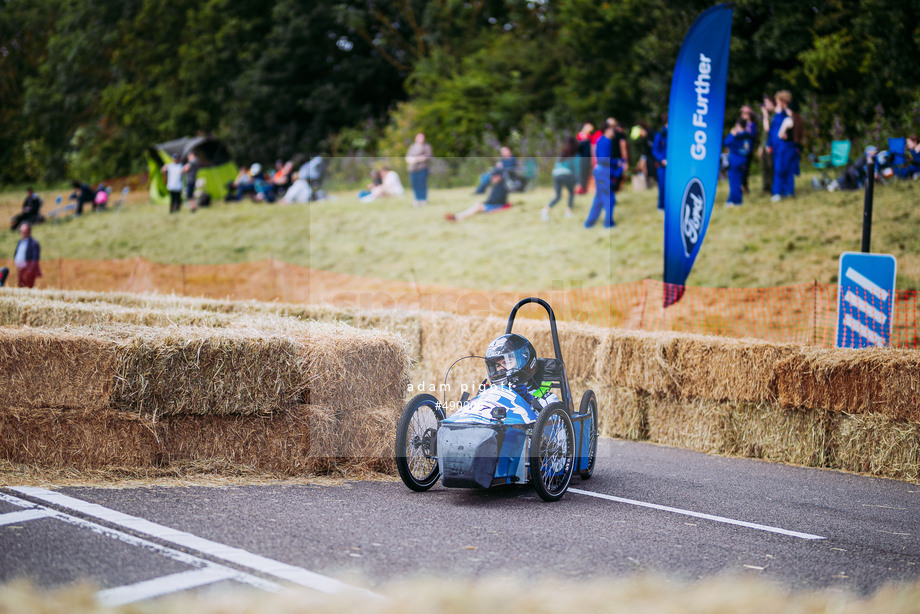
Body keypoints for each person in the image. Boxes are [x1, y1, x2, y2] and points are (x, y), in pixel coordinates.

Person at [483, 333, 558, 408]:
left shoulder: (547, 398)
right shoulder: (494, 394)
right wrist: (482, 398)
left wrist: (528, 401)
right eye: (498, 366)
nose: (501, 368)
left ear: (524, 360)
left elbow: (552, 418)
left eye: (506, 362)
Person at [584, 120, 628, 229]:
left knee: (599, 199)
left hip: (600, 171)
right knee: (609, 198)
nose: (614, 131)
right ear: (607, 130)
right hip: (603, 172)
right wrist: (617, 162)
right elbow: (603, 159)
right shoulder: (606, 141)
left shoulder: (601, 140)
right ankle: (608, 223)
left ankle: (589, 223)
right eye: (612, 129)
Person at [770, 90, 804, 202]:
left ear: (783, 101)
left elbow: (781, 132)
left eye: (777, 101)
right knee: (786, 169)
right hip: (785, 146)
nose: (776, 103)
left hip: (784, 147)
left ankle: (779, 192)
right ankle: (788, 191)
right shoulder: (790, 114)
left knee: (781, 169)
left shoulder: (786, 114)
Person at [541, 137, 577, 221]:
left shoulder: (562, 153)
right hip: (566, 174)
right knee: (571, 193)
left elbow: (556, 165)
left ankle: (545, 210)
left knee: (558, 196)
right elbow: (575, 167)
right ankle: (568, 212)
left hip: (556, 174)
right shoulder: (573, 154)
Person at [723, 118, 752, 207]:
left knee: (734, 182)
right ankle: (737, 200)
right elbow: (748, 149)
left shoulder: (736, 136)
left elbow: (726, 142)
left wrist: (732, 134)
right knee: (738, 182)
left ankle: (734, 200)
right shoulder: (748, 136)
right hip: (743, 161)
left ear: (738, 126)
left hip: (735, 161)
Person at [406, 132, 433, 207]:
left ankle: (423, 199)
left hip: (422, 168)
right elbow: (408, 156)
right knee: (414, 184)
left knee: (422, 184)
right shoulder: (412, 146)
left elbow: (427, 156)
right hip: (413, 169)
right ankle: (416, 199)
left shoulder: (426, 146)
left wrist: (417, 159)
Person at [12, 223, 41, 288]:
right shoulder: (20, 242)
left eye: (25, 231)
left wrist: (30, 270)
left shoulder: (34, 243)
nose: (23, 233)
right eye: (22, 231)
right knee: (20, 287)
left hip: (28, 270)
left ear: (29, 232)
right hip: (20, 269)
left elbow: (35, 259)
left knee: (28, 287)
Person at [740, 105, 759, 193]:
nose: (743, 115)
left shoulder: (752, 125)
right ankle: (741, 185)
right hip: (740, 149)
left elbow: (753, 136)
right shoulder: (741, 124)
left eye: (745, 113)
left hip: (748, 150)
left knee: (745, 168)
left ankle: (744, 186)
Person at [760, 95, 776, 195]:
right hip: (765, 145)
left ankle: (772, 187)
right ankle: (766, 187)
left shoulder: (774, 115)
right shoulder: (770, 115)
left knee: (771, 166)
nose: (765, 106)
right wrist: (761, 146)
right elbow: (764, 134)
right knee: (764, 166)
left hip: (770, 145)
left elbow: (767, 129)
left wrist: (765, 116)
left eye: (767, 103)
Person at [652, 114, 668, 211]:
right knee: (662, 186)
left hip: (674, 165)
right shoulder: (660, 134)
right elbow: (655, 150)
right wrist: (662, 159)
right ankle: (661, 206)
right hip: (662, 165)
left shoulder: (676, 133)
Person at [575, 122, 595, 194]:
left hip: (588, 157)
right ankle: (580, 188)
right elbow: (578, 148)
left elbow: (592, 147)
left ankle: (584, 188)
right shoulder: (580, 135)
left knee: (587, 172)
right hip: (581, 157)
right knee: (581, 172)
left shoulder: (590, 136)